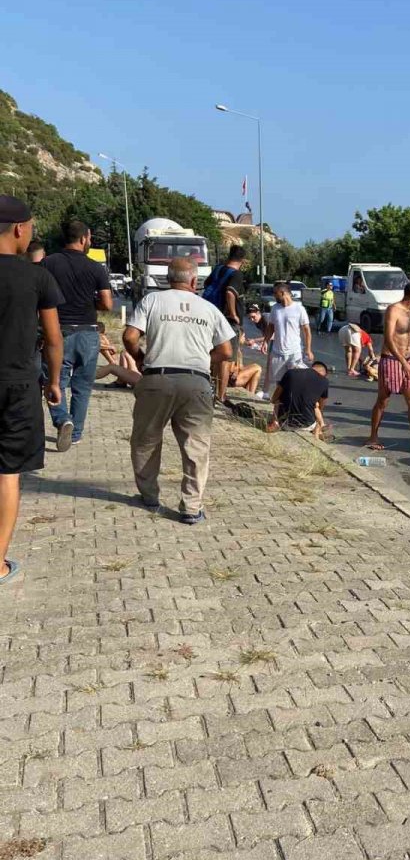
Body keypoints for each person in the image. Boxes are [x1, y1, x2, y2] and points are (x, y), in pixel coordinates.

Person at [123, 257, 235, 523]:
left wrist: (139, 358)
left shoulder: (152, 301)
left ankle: (149, 495)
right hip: (196, 382)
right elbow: (226, 351)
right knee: (196, 447)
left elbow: (129, 336)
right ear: (194, 281)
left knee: (146, 440)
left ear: (168, 279)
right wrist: (203, 362)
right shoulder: (208, 308)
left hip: (156, 378)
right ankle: (191, 507)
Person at [0, 196, 64, 586]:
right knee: (7, 473)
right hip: (18, 385)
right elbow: (54, 338)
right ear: (20, 229)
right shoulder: (37, 277)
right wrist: (54, 382)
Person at [42, 219, 113, 450]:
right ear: (84, 239)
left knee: (55, 381)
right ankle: (76, 433)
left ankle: (63, 419)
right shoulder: (96, 267)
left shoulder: (48, 263)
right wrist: (90, 303)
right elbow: (107, 303)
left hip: (58, 331)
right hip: (89, 333)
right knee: (83, 386)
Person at [367, 280, 410, 454]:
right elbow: (389, 339)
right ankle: (373, 436)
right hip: (391, 359)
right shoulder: (394, 310)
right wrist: (402, 362)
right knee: (383, 400)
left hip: (408, 360)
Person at [202, 245, 246, 404]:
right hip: (227, 322)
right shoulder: (237, 274)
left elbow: (206, 285)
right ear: (243, 261)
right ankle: (221, 395)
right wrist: (233, 313)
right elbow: (229, 292)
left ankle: (209, 387)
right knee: (226, 358)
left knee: (214, 353)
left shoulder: (218, 269)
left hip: (211, 317)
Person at [264, 281, 312, 391]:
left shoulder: (299, 309)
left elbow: (306, 331)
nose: (274, 295)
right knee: (279, 384)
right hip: (277, 352)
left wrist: (308, 349)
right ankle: (280, 406)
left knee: (295, 380)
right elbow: (271, 327)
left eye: (275, 293)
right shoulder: (275, 308)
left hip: (294, 352)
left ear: (283, 293)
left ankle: (293, 404)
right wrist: (265, 342)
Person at [268, 361, 330, 437]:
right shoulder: (324, 381)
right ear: (323, 373)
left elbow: (275, 397)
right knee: (316, 405)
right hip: (307, 425)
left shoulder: (291, 373)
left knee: (279, 399)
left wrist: (274, 400)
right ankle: (319, 429)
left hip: (285, 423)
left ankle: (275, 422)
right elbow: (321, 406)